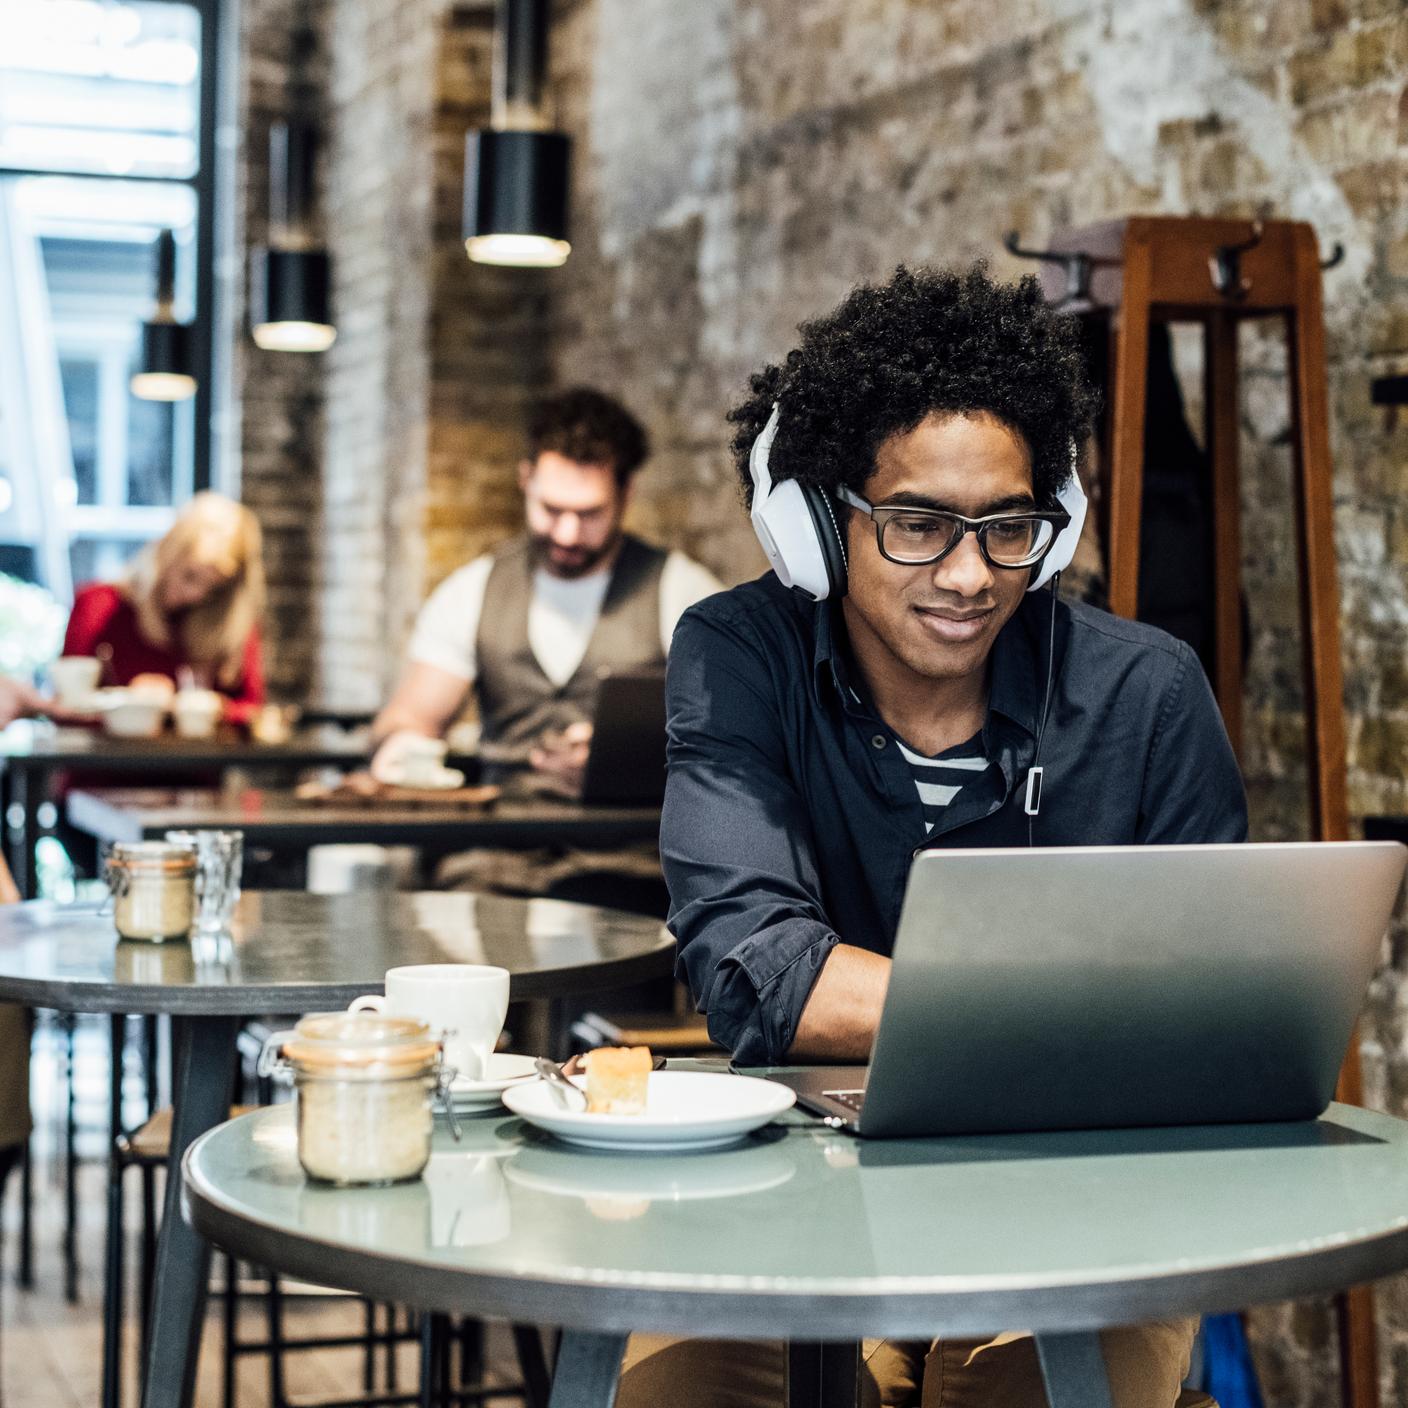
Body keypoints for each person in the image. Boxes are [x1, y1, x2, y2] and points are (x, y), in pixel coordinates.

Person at [635, 266, 1244, 1408]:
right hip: (795, 1195)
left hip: (1082, 1200)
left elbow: (1204, 1014)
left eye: (1007, 527)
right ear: (818, 522)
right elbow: (758, 973)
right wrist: (1074, 1004)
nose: (968, 576)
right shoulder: (736, 655)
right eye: (917, 523)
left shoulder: (1146, 694)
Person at [373, 387, 720, 797]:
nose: (567, 534)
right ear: (526, 481)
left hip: (630, 849)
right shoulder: (472, 591)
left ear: (626, 496)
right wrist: (402, 745)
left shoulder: (682, 591)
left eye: (590, 514)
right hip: (497, 848)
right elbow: (411, 718)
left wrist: (629, 756)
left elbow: (729, 738)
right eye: (551, 510)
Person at [62, 491, 266, 725]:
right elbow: (67, 710)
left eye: (213, 590)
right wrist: (131, 704)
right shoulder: (99, 605)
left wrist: (209, 707)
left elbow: (252, 709)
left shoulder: (230, 622)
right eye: (190, 576)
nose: (196, 595)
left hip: (192, 760)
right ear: (167, 552)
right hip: (113, 760)